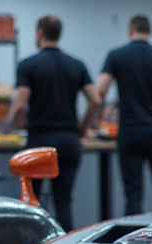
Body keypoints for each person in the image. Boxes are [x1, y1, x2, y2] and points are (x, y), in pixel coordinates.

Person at [11, 15, 101, 229]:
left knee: (32, 203)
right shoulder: (76, 65)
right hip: (69, 141)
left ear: (39, 33)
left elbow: (20, 105)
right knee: (64, 201)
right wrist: (82, 129)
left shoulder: (28, 65)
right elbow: (96, 100)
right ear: (59, 34)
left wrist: (18, 122)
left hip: (40, 141)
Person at [97, 14, 152, 215]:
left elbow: (100, 91)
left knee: (133, 193)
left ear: (130, 30)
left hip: (130, 131)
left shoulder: (116, 55)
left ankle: (133, 234)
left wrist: (96, 121)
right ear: (150, 31)